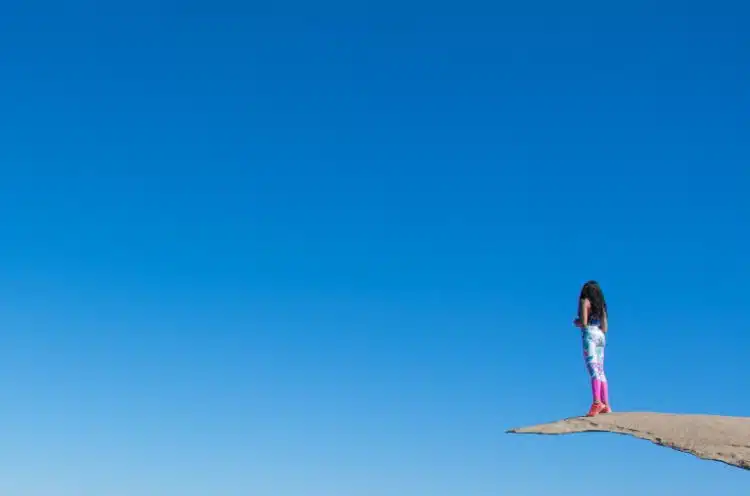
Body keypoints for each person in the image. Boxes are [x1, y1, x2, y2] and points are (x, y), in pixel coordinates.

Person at [573, 280, 611, 416]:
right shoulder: (601, 306)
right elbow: (605, 328)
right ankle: (606, 404)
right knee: (601, 370)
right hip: (600, 336)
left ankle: (597, 402)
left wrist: (577, 322)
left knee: (593, 369)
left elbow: (583, 322)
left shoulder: (585, 301)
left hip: (589, 334)